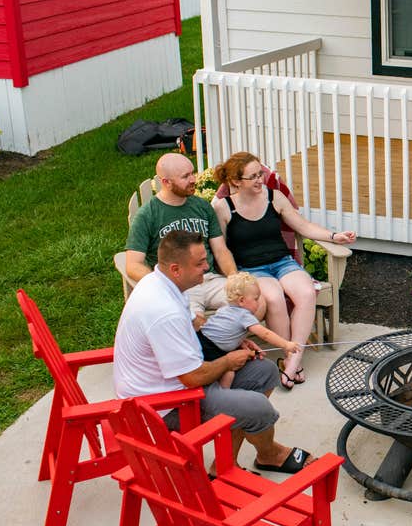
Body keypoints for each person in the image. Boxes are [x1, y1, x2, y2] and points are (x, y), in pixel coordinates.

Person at [113, 230, 313, 474]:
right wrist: (228, 360)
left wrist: (233, 342)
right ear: (176, 269)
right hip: (163, 407)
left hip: (173, 385)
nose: (207, 267)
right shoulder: (163, 311)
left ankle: (224, 465)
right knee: (258, 408)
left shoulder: (163, 284)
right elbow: (192, 377)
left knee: (266, 372)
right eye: (199, 263)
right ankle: (270, 453)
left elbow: (195, 328)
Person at [211, 152, 356, 389]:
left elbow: (302, 225)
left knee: (307, 293)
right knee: (274, 297)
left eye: (261, 174)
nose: (261, 180)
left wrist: (334, 236)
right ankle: (291, 362)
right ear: (236, 182)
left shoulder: (273, 197)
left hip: (282, 262)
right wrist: (233, 277)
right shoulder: (223, 207)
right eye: (253, 177)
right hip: (252, 269)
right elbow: (221, 248)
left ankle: (292, 360)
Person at [124, 153, 238, 324]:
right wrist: (164, 286)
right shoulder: (148, 215)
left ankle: (218, 339)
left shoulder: (202, 207)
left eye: (192, 173)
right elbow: (133, 264)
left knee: (252, 303)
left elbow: (220, 250)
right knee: (189, 321)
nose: (193, 179)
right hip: (179, 286)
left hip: (210, 280)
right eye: (185, 176)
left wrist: (234, 278)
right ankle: (219, 342)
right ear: (166, 182)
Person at [198, 271, 301, 388]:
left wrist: (238, 341)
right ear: (241, 301)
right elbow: (265, 334)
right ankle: (224, 394)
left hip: (201, 339)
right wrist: (286, 344)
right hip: (212, 349)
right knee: (229, 372)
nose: (258, 303)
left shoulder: (225, 309)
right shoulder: (245, 316)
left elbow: (223, 330)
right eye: (256, 299)